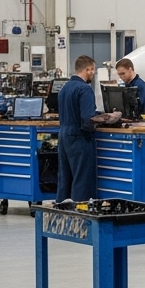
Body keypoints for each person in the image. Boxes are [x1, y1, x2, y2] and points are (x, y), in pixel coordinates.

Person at [56, 56, 105, 203]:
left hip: (64, 136)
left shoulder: (65, 88)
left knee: (65, 178)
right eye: (93, 70)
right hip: (80, 137)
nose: (93, 74)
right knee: (82, 179)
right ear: (88, 69)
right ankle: (81, 216)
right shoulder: (84, 89)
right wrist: (105, 120)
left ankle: (61, 214)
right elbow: (87, 119)